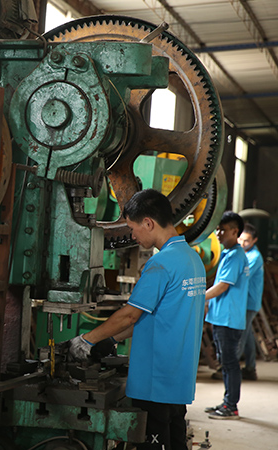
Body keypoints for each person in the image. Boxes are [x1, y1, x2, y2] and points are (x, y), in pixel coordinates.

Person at [69, 189, 206, 450]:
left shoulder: (161, 264)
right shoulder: (192, 260)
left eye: (133, 228)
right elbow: (158, 316)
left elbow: (131, 314)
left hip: (155, 380)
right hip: (178, 378)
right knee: (175, 442)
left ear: (148, 223)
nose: (132, 236)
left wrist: (86, 340)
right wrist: (111, 339)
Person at [204, 211, 249, 420]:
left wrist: (198, 297)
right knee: (226, 362)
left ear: (235, 231)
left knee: (230, 363)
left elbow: (222, 286)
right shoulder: (229, 253)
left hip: (228, 320)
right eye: (218, 229)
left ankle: (231, 406)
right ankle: (227, 402)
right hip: (222, 317)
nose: (218, 233)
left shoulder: (235, 256)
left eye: (223, 230)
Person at [237, 223, 264, 380]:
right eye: (240, 239)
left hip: (249, 302)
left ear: (254, 240)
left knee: (241, 334)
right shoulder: (244, 253)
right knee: (247, 335)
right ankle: (250, 368)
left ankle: (231, 367)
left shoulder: (254, 257)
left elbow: (240, 276)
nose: (242, 243)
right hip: (245, 301)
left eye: (246, 240)